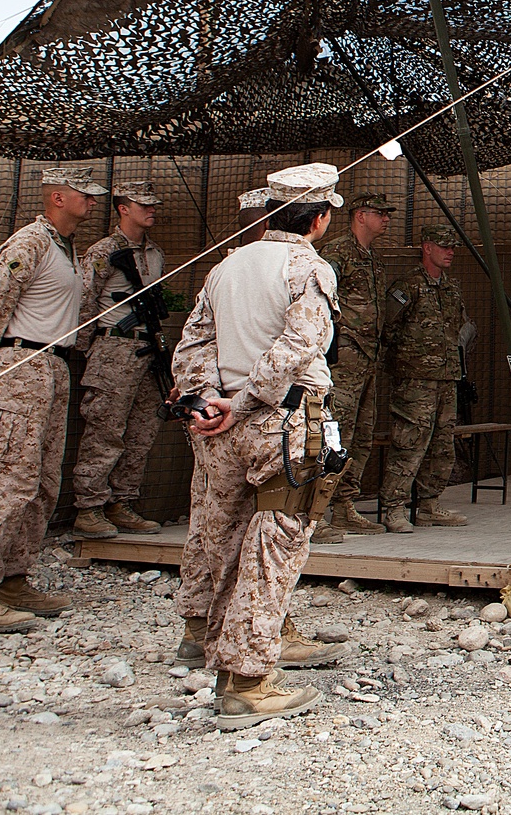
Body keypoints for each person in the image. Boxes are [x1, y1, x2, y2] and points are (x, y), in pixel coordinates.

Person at [171, 163, 343, 728]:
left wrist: (207, 404)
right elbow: (301, 343)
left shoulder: (227, 266)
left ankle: (218, 655)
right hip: (281, 423)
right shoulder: (308, 269)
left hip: (221, 430)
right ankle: (248, 681)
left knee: (222, 540)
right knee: (276, 545)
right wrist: (244, 402)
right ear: (318, 219)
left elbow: (193, 341)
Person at [0, 167, 106, 632]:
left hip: (54, 366)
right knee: (8, 478)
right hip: (22, 364)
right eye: (85, 195)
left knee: (41, 482)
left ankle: (14, 577)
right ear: (58, 197)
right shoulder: (30, 242)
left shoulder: (67, 247)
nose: (93, 201)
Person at [70, 179, 168, 540]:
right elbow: (84, 301)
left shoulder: (156, 254)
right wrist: (85, 346)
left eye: (153, 204)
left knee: (142, 430)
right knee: (105, 430)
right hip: (113, 347)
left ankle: (122, 501)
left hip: (147, 349)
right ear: (123, 208)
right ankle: (89, 507)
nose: (151, 210)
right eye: (144, 205)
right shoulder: (103, 251)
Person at [314, 192, 396, 542]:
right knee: (333, 433)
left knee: (360, 435)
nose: (386, 219)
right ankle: (314, 513)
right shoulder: (336, 253)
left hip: (368, 358)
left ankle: (345, 506)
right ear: (360, 216)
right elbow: (321, 304)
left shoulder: (373, 258)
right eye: (380, 213)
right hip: (343, 357)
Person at [379, 225, 470, 532]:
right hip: (415, 380)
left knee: (443, 443)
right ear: (426, 248)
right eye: (443, 246)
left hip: (446, 377)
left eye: (452, 247)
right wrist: (405, 364)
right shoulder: (408, 285)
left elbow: (457, 327)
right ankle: (394, 508)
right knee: (409, 441)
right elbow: (387, 329)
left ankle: (429, 505)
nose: (450, 252)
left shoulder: (451, 288)